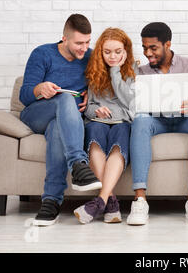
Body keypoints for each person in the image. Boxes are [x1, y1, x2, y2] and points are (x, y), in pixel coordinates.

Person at [19, 14, 102, 226]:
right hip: (38, 113)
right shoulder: (42, 53)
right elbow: (25, 95)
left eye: (87, 42)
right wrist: (40, 88)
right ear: (64, 39)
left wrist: (90, 96)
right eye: (78, 43)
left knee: (58, 127)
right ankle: (78, 164)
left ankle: (51, 202)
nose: (84, 48)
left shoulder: (90, 57)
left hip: (66, 121)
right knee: (64, 97)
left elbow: (103, 88)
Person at [126, 22, 188, 226]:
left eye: (153, 48)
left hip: (185, 120)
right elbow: (132, 105)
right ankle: (139, 200)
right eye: (145, 47)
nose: (148, 53)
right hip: (157, 121)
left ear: (167, 44)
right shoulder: (141, 71)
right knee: (140, 121)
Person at [73, 28, 138, 224]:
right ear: (100, 52)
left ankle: (101, 201)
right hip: (98, 121)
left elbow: (130, 102)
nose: (112, 56)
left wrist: (116, 70)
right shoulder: (94, 72)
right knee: (94, 137)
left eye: (118, 51)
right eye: (107, 52)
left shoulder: (134, 70)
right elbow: (88, 106)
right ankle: (111, 202)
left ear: (126, 51)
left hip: (123, 122)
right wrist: (96, 111)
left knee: (119, 142)